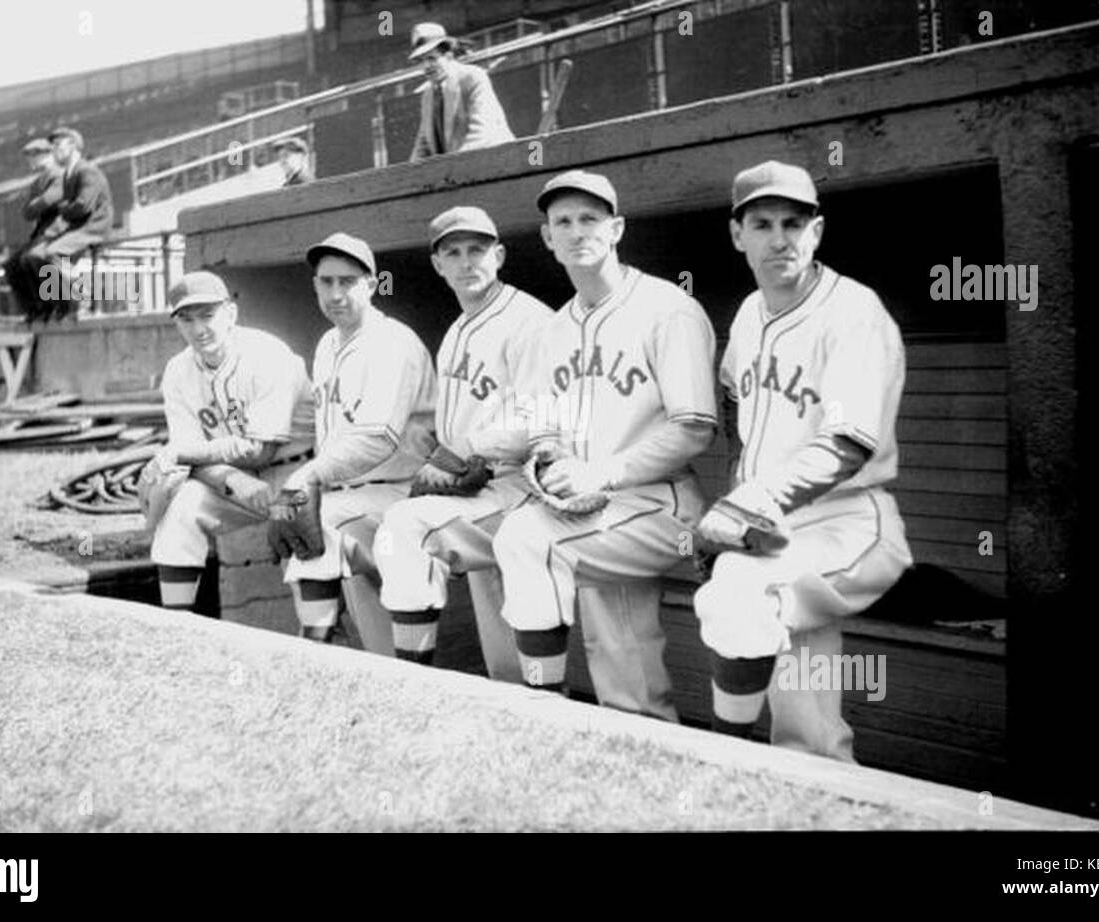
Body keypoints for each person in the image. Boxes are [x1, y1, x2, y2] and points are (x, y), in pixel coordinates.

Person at [693, 160, 913, 761]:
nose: (780, 237)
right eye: (761, 223)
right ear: (738, 235)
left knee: (741, 596)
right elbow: (738, 404)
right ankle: (800, 781)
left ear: (817, 230)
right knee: (807, 729)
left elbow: (847, 443)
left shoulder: (853, 312)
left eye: (795, 222)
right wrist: (738, 503)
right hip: (777, 526)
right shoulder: (746, 314)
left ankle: (724, 762)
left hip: (850, 521)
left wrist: (748, 504)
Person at [491, 170, 718, 719]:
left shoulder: (668, 309)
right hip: (592, 511)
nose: (576, 232)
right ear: (546, 238)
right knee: (622, 660)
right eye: (562, 222)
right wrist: (547, 460)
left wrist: (602, 473)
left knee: (526, 538)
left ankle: (542, 709)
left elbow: (694, 427)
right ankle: (643, 742)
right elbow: (543, 421)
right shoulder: (552, 329)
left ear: (615, 229)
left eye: (589, 218)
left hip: (662, 503)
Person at [371, 206, 553, 677]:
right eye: (453, 252)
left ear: (500, 255)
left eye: (477, 250)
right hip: (476, 487)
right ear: (438, 264)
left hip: (525, 485)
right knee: (499, 632)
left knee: (403, 530)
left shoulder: (530, 321)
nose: (466, 262)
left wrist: (462, 452)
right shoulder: (456, 330)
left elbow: (543, 416)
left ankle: (412, 683)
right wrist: (435, 449)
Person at [275, 232, 437, 652]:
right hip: (351, 497)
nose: (336, 293)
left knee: (320, 528)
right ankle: (340, 659)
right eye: (326, 282)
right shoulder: (328, 343)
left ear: (374, 284)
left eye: (348, 281)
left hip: (399, 492)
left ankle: (312, 661)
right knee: (381, 650)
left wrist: (304, 478)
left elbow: (376, 439)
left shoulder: (392, 343)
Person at [143, 271, 316, 613]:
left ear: (231, 314)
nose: (198, 329)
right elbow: (188, 459)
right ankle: (176, 631)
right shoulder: (178, 371)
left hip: (298, 471)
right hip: (230, 479)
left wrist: (180, 453)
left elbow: (260, 451)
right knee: (180, 509)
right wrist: (230, 478)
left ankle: (322, 647)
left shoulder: (268, 354)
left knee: (308, 564)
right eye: (187, 319)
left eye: (207, 315)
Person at [18, 126, 114, 322]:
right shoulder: (71, 173)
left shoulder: (87, 171)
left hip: (94, 226)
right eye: (52, 146)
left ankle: (81, 298)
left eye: (58, 144)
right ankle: (60, 303)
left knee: (52, 253)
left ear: (73, 146)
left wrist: (62, 207)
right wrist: (66, 209)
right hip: (79, 226)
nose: (54, 149)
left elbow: (83, 206)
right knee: (37, 257)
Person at [407, 22, 514, 163]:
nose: (426, 66)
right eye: (421, 61)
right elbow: (424, 144)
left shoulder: (473, 77)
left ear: (449, 56)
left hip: (498, 163)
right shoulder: (428, 95)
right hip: (459, 173)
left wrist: (450, 170)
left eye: (431, 58)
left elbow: (481, 133)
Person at [3, 138, 63, 321]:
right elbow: (28, 212)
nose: (32, 161)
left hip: (60, 230)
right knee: (12, 264)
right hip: (43, 232)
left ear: (49, 155)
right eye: (30, 157)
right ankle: (35, 307)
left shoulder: (61, 176)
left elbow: (49, 201)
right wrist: (40, 203)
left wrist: (40, 203)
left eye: (35, 156)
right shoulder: (37, 183)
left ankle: (58, 303)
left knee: (34, 258)